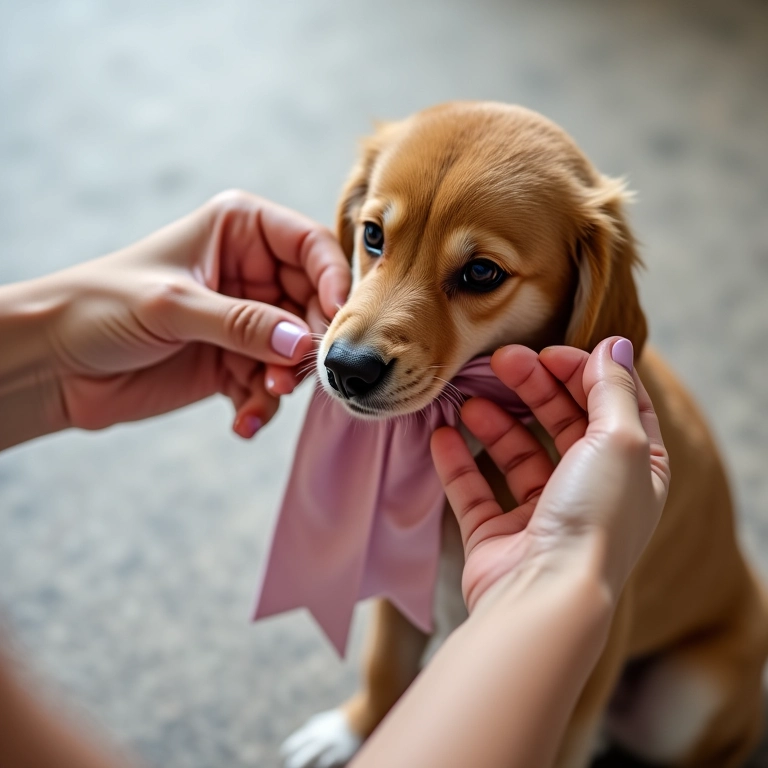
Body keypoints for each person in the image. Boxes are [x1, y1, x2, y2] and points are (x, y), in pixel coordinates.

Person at [0, 191, 670, 768]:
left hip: (665, 652)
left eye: (479, 273)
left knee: (676, 721)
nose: (356, 346)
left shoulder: (610, 452)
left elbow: (601, 640)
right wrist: (562, 577)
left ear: (587, 290)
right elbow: (398, 557)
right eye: (374, 237)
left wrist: (56, 340)